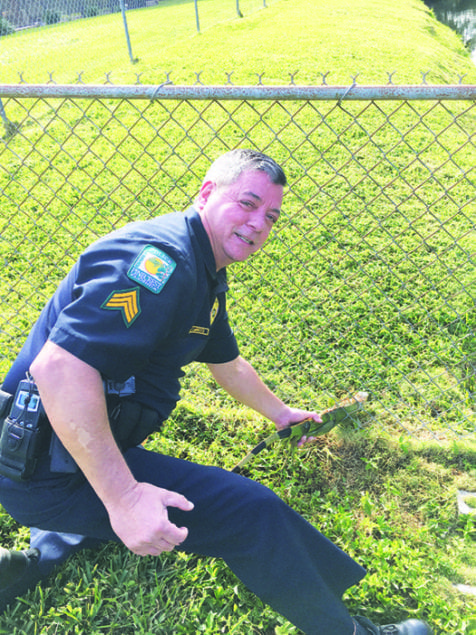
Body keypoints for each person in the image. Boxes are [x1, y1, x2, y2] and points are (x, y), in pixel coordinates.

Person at [0, 149, 431, 635]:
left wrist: (281, 413)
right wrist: (123, 497)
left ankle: (52, 540)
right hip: (46, 468)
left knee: (207, 503)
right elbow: (60, 369)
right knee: (251, 514)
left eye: (271, 215)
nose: (259, 223)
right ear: (207, 193)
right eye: (247, 203)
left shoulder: (201, 268)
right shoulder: (159, 266)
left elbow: (225, 361)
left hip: (55, 450)